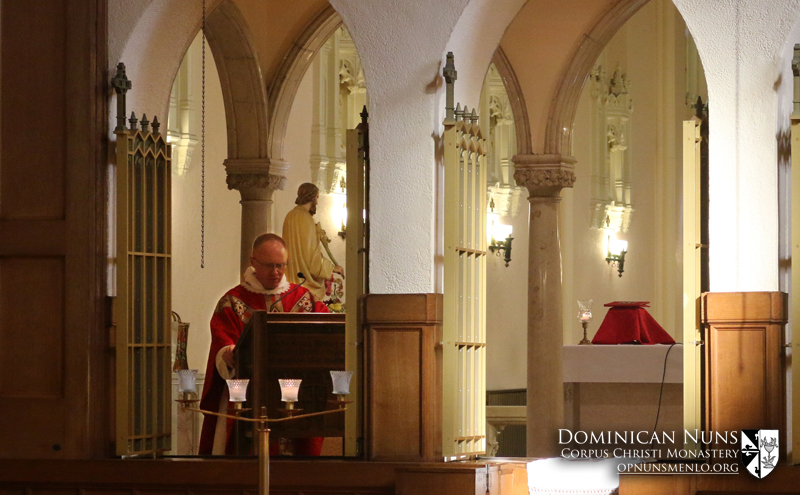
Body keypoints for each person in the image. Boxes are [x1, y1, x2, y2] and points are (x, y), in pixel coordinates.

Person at [198, 233, 328, 455]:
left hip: (296, 396)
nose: (276, 272)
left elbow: (326, 333)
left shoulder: (305, 299)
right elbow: (222, 337)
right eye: (269, 265)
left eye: (281, 265)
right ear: (253, 262)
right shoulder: (232, 301)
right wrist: (226, 353)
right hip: (249, 396)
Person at [282, 183, 344, 302]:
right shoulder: (306, 218)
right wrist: (332, 268)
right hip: (304, 286)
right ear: (311, 197)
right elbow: (311, 258)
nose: (317, 202)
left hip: (291, 283)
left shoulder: (290, 216)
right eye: (317, 198)